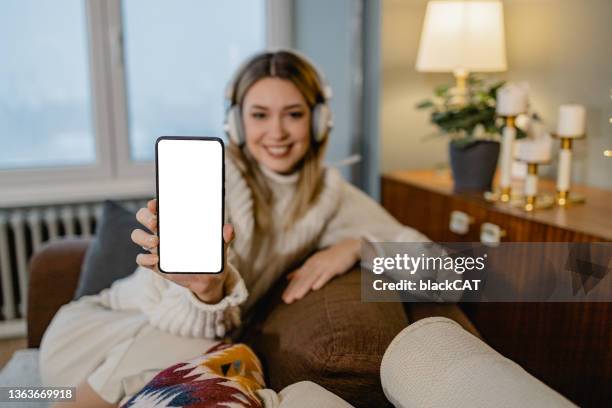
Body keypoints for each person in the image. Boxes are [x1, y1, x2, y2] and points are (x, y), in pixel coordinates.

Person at [39, 50, 431, 407]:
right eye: (260, 115)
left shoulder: (331, 196)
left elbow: (445, 273)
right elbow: (172, 315)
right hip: (99, 332)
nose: (276, 132)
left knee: (216, 348)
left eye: (293, 114)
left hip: (171, 344)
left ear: (318, 120)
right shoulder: (212, 176)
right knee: (209, 343)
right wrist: (208, 294)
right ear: (237, 122)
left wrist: (360, 248)